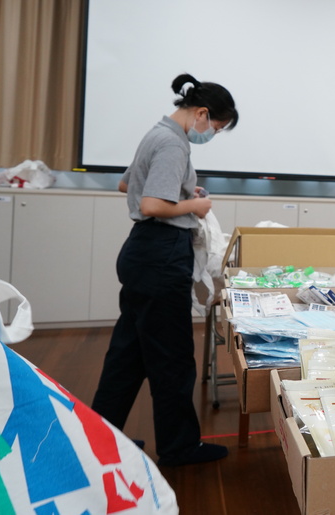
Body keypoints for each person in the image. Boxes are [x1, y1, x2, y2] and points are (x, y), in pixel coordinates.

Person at [92, 74, 239, 467]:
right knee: (172, 358)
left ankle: (98, 442)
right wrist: (195, 206)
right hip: (160, 255)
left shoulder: (155, 134)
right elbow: (153, 205)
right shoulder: (173, 143)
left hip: (141, 253)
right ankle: (179, 447)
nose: (211, 134)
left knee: (128, 357)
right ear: (202, 113)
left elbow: (128, 186)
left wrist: (182, 192)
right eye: (216, 128)